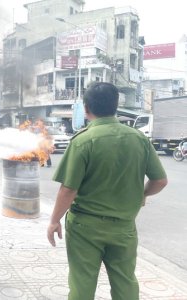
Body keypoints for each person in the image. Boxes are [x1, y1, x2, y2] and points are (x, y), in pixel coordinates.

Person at [47, 82, 168, 300]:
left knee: (82, 283)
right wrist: (143, 194)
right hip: (124, 227)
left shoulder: (83, 141)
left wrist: (54, 220)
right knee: (125, 283)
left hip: (85, 227)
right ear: (116, 106)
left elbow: (68, 190)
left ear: (86, 108)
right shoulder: (139, 139)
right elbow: (160, 181)